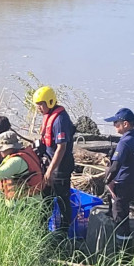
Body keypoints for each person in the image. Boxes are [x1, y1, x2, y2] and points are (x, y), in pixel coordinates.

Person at [32, 86, 76, 233]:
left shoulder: (60, 120)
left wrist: (50, 171)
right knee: (46, 198)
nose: (38, 107)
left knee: (62, 200)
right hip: (49, 163)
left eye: (41, 104)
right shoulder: (48, 115)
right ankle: (42, 230)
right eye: (37, 104)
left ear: (50, 102)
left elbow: (61, 148)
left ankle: (63, 233)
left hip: (60, 166)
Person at [101, 108, 134, 239]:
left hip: (123, 185)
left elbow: (115, 165)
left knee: (120, 217)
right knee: (120, 207)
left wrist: (106, 181)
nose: (114, 125)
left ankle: (123, 249)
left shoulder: (125, 142)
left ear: (125, 124)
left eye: (116, 122)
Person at [0, 130, 44, 202]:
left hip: (26, 203)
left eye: (2, 148)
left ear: (11, 147)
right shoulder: (24, 154)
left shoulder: (16, 160)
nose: (0, 151)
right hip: (28, 200)